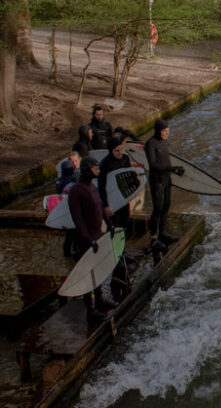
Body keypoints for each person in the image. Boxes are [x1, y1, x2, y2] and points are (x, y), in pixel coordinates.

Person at [67, 156, 118, 322]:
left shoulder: (92, 187)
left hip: (98, 234)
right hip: (85, 239)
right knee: (88, 272)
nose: (98, 171)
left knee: (97, 269)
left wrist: (109, 224)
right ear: (87, 170)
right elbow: (77, 218)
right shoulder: (76, 190)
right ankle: (90, 309)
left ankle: (100, 298)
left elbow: (101, 207)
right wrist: (86, 238)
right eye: (96, 169)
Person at [145, 119, 183, 249]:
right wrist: (171, 168)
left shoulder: (165, 142)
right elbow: (153, 165)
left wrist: (175, 170)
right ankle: (153, 237)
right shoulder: (151, 143)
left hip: (167, 179)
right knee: (158, 207)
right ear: (158, 130)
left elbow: (166, 161)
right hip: (157, 180)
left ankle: (162, 232)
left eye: (167, 131)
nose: (166, 134)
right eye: (164, 131)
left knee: (167, 204)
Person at [99, 138, 133, 233]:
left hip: (124, 195)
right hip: (112, 198)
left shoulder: (125, 159)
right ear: (111, 151)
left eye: (120, 150)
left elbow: (130, 177)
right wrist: (106, 205)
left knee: (125, 222)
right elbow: (101, 186)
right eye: (116, 151)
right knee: (113, 225)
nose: (119, 153)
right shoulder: (105, 163)